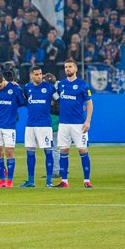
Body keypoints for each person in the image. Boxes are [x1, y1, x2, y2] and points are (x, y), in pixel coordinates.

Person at [0, 69, 26, 188]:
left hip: (9, 126)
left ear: (3, 79)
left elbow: (22, 102)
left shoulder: (15, 89)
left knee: (9, 152)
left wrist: (19, 90)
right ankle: (2, 180)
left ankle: (10, 181)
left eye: (0, 86)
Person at [54, 60, 94, 188]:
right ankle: (64, 181)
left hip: (78, 124)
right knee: (63, 151)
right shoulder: (61, 84)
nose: (68, 69)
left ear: (75, 69)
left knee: (83, 150)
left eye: (70, 66)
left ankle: (86, 180)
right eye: (66, 67)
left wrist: (88, 121)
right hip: (63, 124)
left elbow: (89, 104)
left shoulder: (83, 85)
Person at [21, 66, 58, 187]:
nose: (39, 76)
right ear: (31, 75)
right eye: (36, 74)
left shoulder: (49, 87)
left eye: (40, 74)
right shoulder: (27, 87)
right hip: (30, 125)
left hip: (45, 125)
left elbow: (59, 101)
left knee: (48, 152)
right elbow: (23, 101)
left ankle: (49, 182)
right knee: (30, 153)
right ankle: (31, 181)